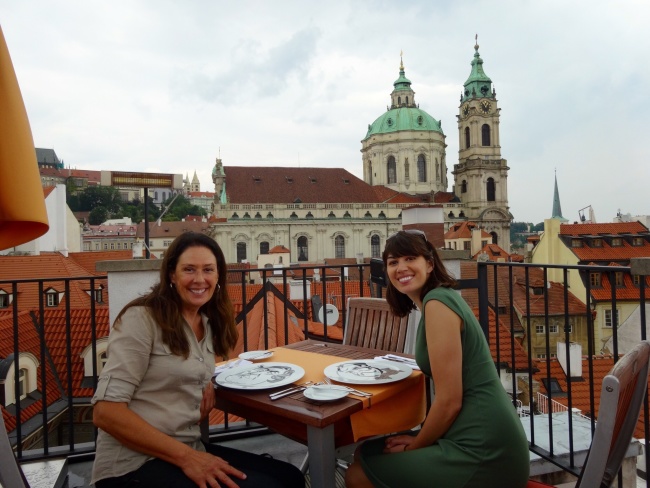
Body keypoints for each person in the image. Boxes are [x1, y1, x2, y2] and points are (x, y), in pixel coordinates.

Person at [91, 232, 304, 488]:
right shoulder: (142, 319)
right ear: (172, 274)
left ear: (218, 276)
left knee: (290, 477)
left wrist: (206, 382)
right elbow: (105, 413)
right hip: (131, 465)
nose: (200, 279)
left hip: (186, 446)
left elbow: (180, 370)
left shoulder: (205, 322)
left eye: (208, 270)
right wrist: (189, 458)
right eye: (189, 269)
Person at [345, 229, 530, 488]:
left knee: (357, 475)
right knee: (365, 454)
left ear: (430, 264)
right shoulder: (437, 300)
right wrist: (419, 439)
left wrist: (417, 444)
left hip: (485, 450)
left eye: (410, 258)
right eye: (393, 262)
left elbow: (450, 401)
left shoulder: (437, 304)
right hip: (471, 433)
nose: (401, 268)